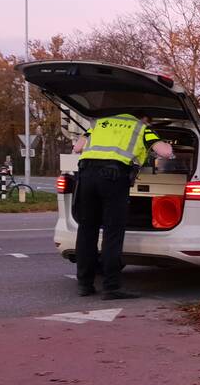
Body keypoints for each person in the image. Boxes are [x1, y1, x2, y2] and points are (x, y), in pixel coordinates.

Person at [73, 113, 173, 299]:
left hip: (86, 176)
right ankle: (111, 287)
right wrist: (167, 146)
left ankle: (84, 285)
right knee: (112, 232)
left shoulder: (99, 123)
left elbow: (77, 147)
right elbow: (165, 152)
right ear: (144, 117)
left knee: (87, 230)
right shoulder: (141, 128)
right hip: (113, 178)